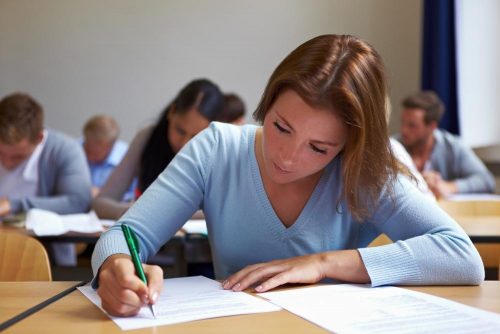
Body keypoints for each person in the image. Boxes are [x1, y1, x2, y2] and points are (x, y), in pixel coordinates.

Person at [91, 35, 484, 317]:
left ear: (349, 146)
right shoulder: (216, 149)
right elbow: (122, 236)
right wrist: (116, 268)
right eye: (280, 127)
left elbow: (463, 258)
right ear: (268, 102)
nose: (288, 158)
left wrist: (325, 263)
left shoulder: (364, 170)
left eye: (319, 148)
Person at [91, 78, 225, 220]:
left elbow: (224, 212)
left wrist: (157, 211)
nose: (184, 143)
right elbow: (101, 203)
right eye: (180, 130)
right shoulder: (148, 137)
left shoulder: (222, 152)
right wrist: (138, 211)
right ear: (172, 112)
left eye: (195, 136)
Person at [0, 92, 91, 266]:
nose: (6, 162)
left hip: (43, 257)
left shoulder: (64, 150)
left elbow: (78, 201)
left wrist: (13, 204)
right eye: (0, 153)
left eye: (17, 157)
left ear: (40, 138)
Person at [398, 91, 495, 198]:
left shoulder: (453, 147)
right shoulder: (393, 146)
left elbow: (486, 181)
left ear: (432, 126)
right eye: (403, 122)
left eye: (412, 125)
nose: (404, 130)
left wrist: (448, 186)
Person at [82, 115, 134, 200]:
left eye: (96, 153)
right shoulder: (72, 150)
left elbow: (133, 197)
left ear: (111, 146)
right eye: (87, 148)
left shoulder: (128, 157)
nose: (90, 157)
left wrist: (104, 195)